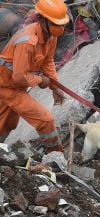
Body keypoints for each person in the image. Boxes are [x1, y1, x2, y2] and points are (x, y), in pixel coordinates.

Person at [0, 0, 69, 152]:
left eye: (62, 24)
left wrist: (54, 86)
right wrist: (40, 80)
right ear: (42, 19)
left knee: (6, 123)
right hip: (7, 86)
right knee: (46, 120)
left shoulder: (50, 35)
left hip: (14, 84)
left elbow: (47, 61)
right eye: (56, 24)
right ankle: (55, 156)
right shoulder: (28, 42)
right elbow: (19, 77)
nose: (61, 28)